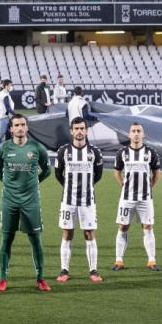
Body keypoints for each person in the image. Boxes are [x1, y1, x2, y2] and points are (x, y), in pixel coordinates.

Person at [0, 113, 51, 292]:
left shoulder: (37, 148)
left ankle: (40, 278)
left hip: (31, 202)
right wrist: (10, 185)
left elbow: (47, 170)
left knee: (35, 239)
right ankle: (3, 278)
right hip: (9, 201)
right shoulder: (3, 149)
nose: (19, 128)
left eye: (22, 124)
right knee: (6, 238)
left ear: (27, 127)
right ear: (10, 129)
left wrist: (33, 183)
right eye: (16, 125)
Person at [54, 117, 104, 283]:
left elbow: (98, 175)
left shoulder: (95, 152)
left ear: (86, 130)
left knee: (89, 233)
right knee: (67, 233)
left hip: (87, 201)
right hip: (68, 201)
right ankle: (64, 270)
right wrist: (69, 187)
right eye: (76, 128)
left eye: (82, 128)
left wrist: (86, 187)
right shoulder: (63, 151)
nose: (80, 131)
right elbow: (58, 174)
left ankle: (93, 271)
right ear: (71, 131)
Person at [112, 122, 162, 271]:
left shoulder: (151, 152)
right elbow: (116, 171)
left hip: (145, 198)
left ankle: (151, 261)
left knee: (148, 226)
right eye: (133, 131)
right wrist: (123, 185)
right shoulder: (122, 153)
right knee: (123, 226)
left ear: (143, 134)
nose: (136, 134)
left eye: (138, 131)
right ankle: (119, 260)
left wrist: (150, 186)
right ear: (129, 134)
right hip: (126, 198)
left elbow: (157, 173)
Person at [0, 79, 15, 151]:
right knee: (2, 133)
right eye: (10, 85)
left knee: (8, 133)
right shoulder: (5, 95)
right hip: (4, 117)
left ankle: (7, 148)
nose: (11, 87)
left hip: (5, 116)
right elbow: (7, 107)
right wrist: (15, 114)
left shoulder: (4, 93)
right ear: (6, 86)